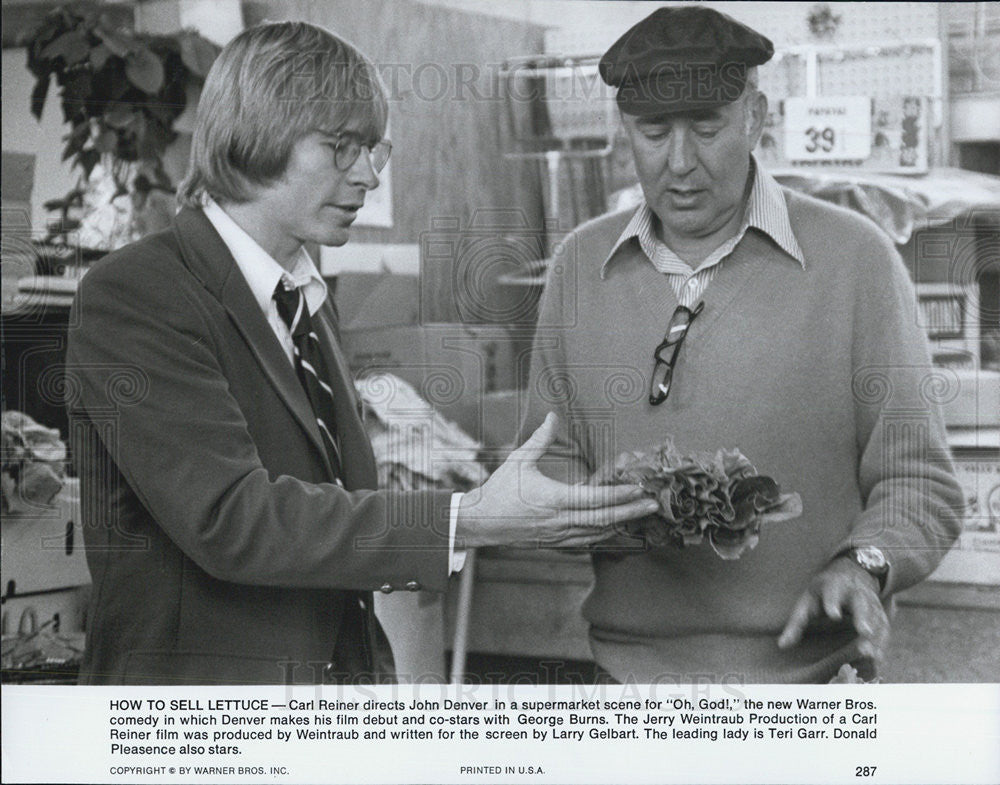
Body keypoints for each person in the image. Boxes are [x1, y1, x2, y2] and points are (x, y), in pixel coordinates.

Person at [65, 21, 658, 686]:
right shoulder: (139, 292)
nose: (369, 176)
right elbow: (232, 519)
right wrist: (470, 518)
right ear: (257, 133)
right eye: (341, 148)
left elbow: (339, 505)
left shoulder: (303, 297)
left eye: (375, 151)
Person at [521, 6, 964, 683]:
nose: (680, 162)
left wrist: (865, 563)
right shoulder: (579, 268)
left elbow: (920, 482)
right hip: (627, 685)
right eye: (653, 131)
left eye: (707, 127)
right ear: (624, 132)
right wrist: (597, 503)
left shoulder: (856, 260)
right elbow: (544, 467)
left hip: (811, 685)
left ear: (756, 117)